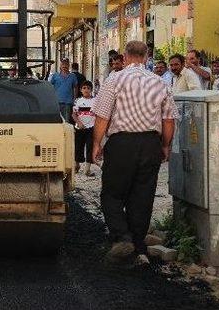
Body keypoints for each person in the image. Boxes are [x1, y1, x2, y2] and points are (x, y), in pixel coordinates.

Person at [92, 41, 178, 266]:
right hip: (150, 143)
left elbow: (102, 116)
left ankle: (122, 237)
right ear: (147, 56)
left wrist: (96, 143)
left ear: (125, 56)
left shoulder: (114, 80)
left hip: (122, 143)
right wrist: (166, 146)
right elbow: (169, 120)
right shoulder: (160, 82)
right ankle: (138, 247)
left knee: (111, 193)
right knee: (142, 196)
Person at [72, 80, 95, 177]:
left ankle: (87, 169)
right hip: (80, 128)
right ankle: (77, 165)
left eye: (88, 88)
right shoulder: (78, 101)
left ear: (91, 90)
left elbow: (98, 115)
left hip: (91, 128)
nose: (86, 90)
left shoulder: (95, 101)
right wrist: (79, 123)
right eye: (84, 88)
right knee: (78, 147)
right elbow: (73, 114)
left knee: (90, 147)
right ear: (81, 90)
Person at [49, 58, 78, 122]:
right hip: (56, 102)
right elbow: (50, 86)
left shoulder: (73, 76)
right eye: (63, 64)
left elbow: (75, 88)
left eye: (66, 64)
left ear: (69, 65)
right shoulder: (55, 75)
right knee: (56, 121)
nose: (64, 66)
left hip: (67, 103)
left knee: (66, 121)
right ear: (60, 65)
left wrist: (75, 99)